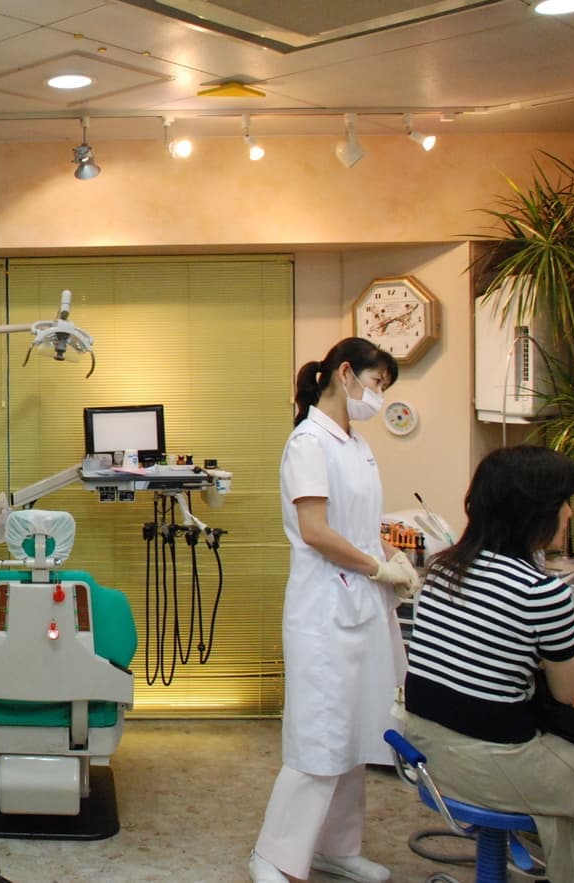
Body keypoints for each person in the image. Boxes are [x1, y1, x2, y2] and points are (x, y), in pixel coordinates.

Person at [405, 446, 574, 883]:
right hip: (491, 764)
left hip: (428, 753)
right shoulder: (541, 592)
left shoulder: (442, 569)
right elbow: (569, 694)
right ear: (535, 513)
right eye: (564, 502)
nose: (569, 513)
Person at [250, 337, 417, 883]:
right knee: (320, 734)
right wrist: (377, 568)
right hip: (324, 609)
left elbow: (361, 527)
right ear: (345, 374)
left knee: (357, 731)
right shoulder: (309, 443)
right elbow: (316, 531)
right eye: (376, 382)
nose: (378, 395)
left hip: (362, 605)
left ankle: (336, 847)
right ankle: (274, 855)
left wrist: (395, 556)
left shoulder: (356, 444)